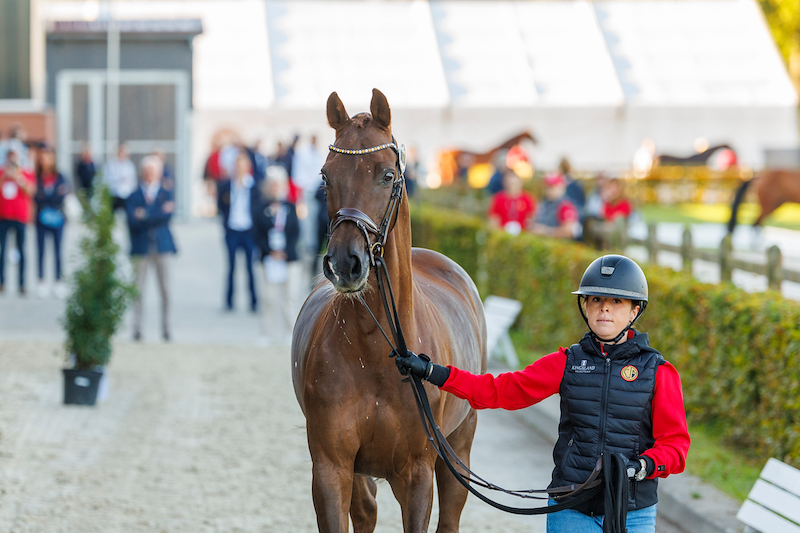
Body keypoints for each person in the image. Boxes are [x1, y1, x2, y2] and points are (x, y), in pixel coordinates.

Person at [395, 255, 690, 533]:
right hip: (571, 508)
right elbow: (499, 390)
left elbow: (675, 446)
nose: (604, 309)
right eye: (596, 300)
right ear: (585, 307)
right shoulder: (567, 362)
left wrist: (643, 465)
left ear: (635, 310)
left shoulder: (659, 372)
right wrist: (433, 372)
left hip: (633, 512)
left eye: (616, 301)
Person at [126, 155, 177, 341]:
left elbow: (166, 217)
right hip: (141, 246)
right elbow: (132, 220)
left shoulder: (165, 193)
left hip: (161, 246)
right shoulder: (134, 195)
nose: (150, 175)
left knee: (165, 290)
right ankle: (137, 328)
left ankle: (166, 328)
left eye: (153, 172)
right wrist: (155, 214)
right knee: (138, 290)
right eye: (147, 171)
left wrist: (145, 215)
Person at [253, 165, 301, 345]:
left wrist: (285, 251)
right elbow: (257, 234)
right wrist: (270, 251)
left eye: (278, 184)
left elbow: (296, 232)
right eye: (272, 184)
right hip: (267, 259)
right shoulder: (260, 207)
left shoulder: (290, 207)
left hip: (288, 258)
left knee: (290, 298)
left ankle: (290, 333)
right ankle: (266, 333)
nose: (275, 188)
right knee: (268, 298)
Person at [218, 149, 258, 312]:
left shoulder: (253, 186)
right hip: (232, 229)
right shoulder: (227, 185)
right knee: (231, 267)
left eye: (243, 165)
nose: (240, 169)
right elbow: (221, 206)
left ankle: (253, 301)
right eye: (237, 165)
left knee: (250, 267)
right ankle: (229, 301)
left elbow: (257, 208)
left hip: (248, 230)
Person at [34, 147, 70, 299]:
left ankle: (58, 280)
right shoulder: (37, 177)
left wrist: (48, 198)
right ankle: (41, 280)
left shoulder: (60, 176)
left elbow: (62, 195)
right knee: (41, 250)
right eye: (42, 158)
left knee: (58, 251)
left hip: (57, 217)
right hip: (41, 218)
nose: (45, 161)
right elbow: (36, 196)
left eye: (48, 157)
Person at [0, 150, 36, 295]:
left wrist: (18, 178)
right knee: (2, 250)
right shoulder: (2, 172)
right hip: (4, 216)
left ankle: (22, 283)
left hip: (20, 217)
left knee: (21, 250)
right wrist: (5, 176)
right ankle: (2, 282)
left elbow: (30, 191)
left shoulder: (25, 173)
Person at [291, 135, 326, 258]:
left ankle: (314, 245)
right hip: (305, 192)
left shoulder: (318, 154)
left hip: (317, 192)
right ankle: (306, 245)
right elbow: (298, 174)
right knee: (305, 221)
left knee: (316, 220)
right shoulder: (302, 153)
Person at [531, 172, 580, 239]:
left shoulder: (565, 205)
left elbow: (570, 231)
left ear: (561, 187)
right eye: (546, 187)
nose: (548, 190)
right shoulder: (544, 203)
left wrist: (546, 231)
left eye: (552, 187)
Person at [487, 170, 536, 235]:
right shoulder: (498, 199)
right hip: (502, 235)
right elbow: (493, 219)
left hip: (523, 235)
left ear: (520, 184)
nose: (512, 187)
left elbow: (532, 218)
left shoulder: (528, 199)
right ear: (505, 183)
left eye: (514, 184)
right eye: (509, 184)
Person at [103, 144, 138, 211]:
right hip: (114, 194)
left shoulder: (130, 165)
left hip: (127, 195)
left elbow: (133, 181)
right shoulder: (111, 164)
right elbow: (107, 179)